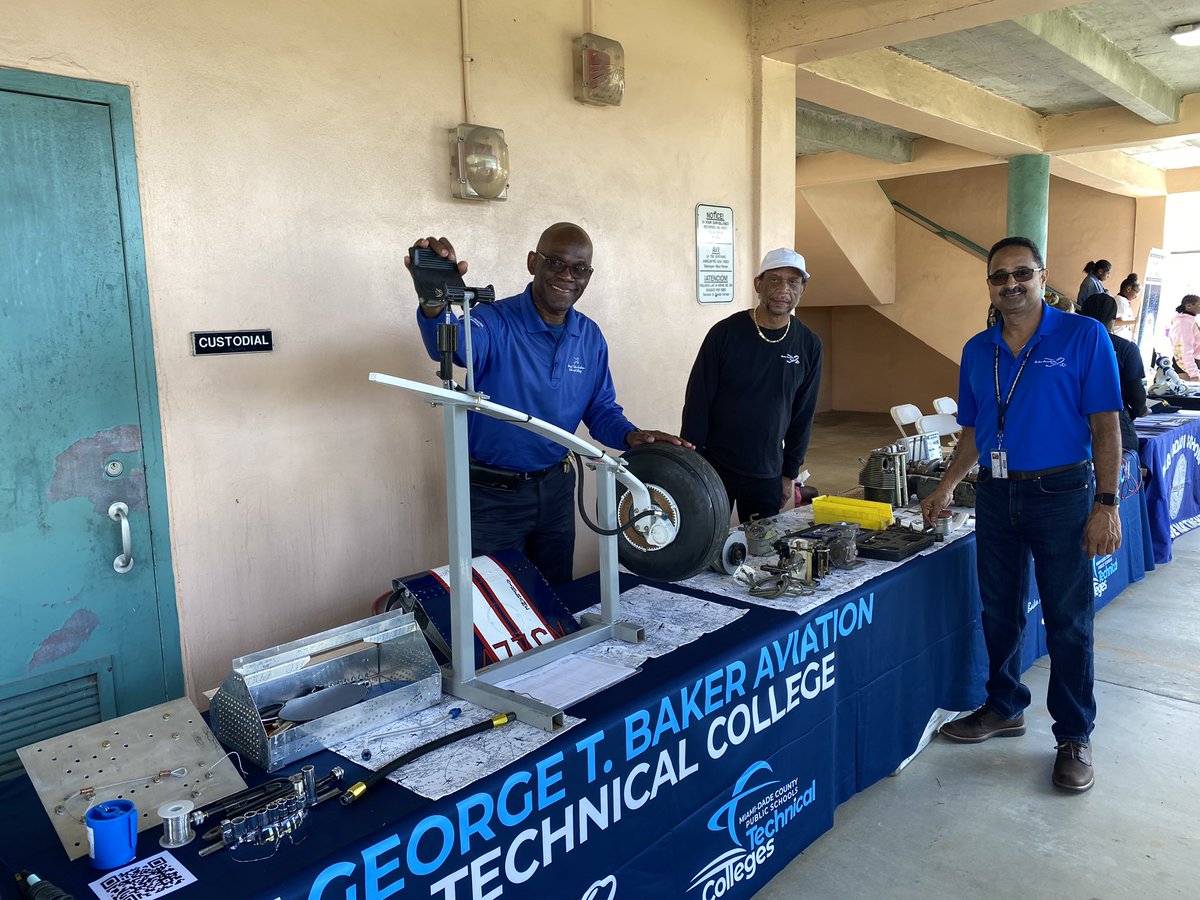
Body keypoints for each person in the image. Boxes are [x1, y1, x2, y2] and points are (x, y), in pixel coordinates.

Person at [921, 236, 1122, 794]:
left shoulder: (1083, 336)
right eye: (999, 276)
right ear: (989, 284)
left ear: (1043, 276)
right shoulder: (976, 349)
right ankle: (1005, 704)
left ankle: (1075, 734)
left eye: (1021, 273)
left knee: (1067, 619)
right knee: (999, 611)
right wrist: (946, 487)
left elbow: (1106, 426)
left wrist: (1106, 504)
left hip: (1063, 494)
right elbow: (974, 430)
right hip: (996, 494)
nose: (1011, 284)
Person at [407, 224, 689, 585]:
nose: (566, 275)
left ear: (588, 275)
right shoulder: (494, 320)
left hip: (556, 490)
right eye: (555, 262)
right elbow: (452, 348)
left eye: (579, 268)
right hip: (493, 497)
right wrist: (433, 304)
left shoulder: (589, 336)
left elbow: (601, 411)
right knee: (497, 608)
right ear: (532, 262)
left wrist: (632, 436)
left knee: (555, 599)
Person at [680, 248, 823, 522]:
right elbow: (698, 403)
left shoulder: (809, 344)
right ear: (759, 284)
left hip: (767, 471)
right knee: (703, 542)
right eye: (774, 279)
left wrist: (789, 474)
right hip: (714, 466)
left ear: (803, 288)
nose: (783, 289)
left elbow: (803, 415)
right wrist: (692, 465)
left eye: (793, 282)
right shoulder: (724, 334)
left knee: (761, 552)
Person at [1080, 292, 1147, 452]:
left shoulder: (1067, 345)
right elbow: (1136, 392)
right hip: (1115, 423)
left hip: (1071, 423)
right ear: (1113, 318)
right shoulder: (1126, 348)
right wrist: (1139, 410)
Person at [1169, 294, 1200, 382]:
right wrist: (1193, 373)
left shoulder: (1191, 320)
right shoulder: (1183, 322)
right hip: (1186, 365)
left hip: (1193, 363)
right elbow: (1184, 348)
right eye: (1199, 304)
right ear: (1189, 305)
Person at [1113, 273, 1140, 339]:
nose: (1136, 296)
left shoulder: (1124, 301)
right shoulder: (1120, 301)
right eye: (1136, 292)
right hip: (1118, 338)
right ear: (1128, 289)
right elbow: (1113, 322)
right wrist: (1134, 322)